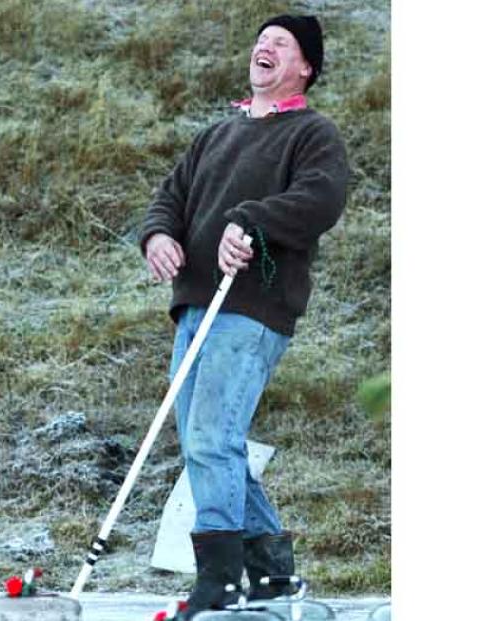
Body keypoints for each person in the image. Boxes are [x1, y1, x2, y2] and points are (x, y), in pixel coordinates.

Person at [139, 14, 349, 616]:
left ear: (305, 66)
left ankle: (220, 581)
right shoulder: (217, 134)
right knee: (209, 445)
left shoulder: (313, 134)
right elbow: (169, 199)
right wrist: (157, 237)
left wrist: (252, 219)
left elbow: (321, 198)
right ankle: (271, 576)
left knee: (211, 439)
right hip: (195, 306)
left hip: (252, 308)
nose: (265, 48)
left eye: (281, 44)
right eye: (261, 41)